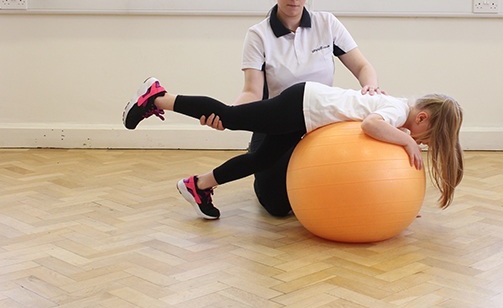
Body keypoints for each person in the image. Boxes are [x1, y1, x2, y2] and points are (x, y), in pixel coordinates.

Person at [122, 77, 464, 220]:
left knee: (262, 158)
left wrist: (393, 205)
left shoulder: (401, 112)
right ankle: (157, 96)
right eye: (426, 138)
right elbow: (369, 126)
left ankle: (198, 186)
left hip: (305, 117)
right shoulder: (397, 112)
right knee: (227, 117)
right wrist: (405, 138)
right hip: (301, 104)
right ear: (421, 117)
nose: (420, 143)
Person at [200, 0, 382, 217]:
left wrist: (370, 88)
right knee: (277, 205)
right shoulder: (258, 35)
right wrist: (230, 115)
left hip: (319, 123)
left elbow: (363, 67)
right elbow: (252, 90)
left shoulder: (326, 24)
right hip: (277, 122)